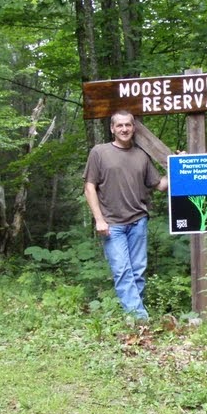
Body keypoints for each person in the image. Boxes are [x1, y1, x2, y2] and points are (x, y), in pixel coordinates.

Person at [83, 111, 168, 322]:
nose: (124, 129)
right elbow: (89, 187)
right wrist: (99, 219)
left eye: (128, 125)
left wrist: (180, 167)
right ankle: (140, 319)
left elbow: (160, 186)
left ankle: (132, 317)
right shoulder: (99, 152)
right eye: (119, 125)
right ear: (112, 128)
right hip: (112, 224)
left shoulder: (141, 155)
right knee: (122, 270)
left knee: (137, 271)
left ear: (134, 128)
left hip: (138, 221)